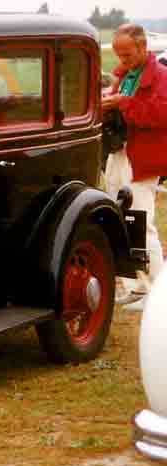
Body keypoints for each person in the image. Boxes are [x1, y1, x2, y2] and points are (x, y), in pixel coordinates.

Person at [102, 24, 167, 311]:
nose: (122, 60)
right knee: (121, 220)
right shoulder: (125, 74)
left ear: (143, 47)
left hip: (142, 157)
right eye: (119, 54)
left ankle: (158, 291)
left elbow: (160, 114)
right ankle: (137, 287)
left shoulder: (163, 76)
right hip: (119, 153)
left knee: (142, 222)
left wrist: (123, 104)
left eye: (127, 54)